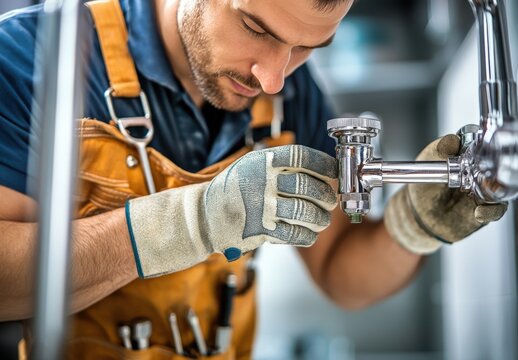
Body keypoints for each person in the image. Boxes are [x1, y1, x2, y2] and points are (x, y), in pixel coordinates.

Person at [0, 0, 507, 358]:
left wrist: (412, 226)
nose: (273, 78)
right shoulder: (34, 58)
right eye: (257, 29)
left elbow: (340, 273)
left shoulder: (290, 94)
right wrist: (194, 222)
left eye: (309, 47)